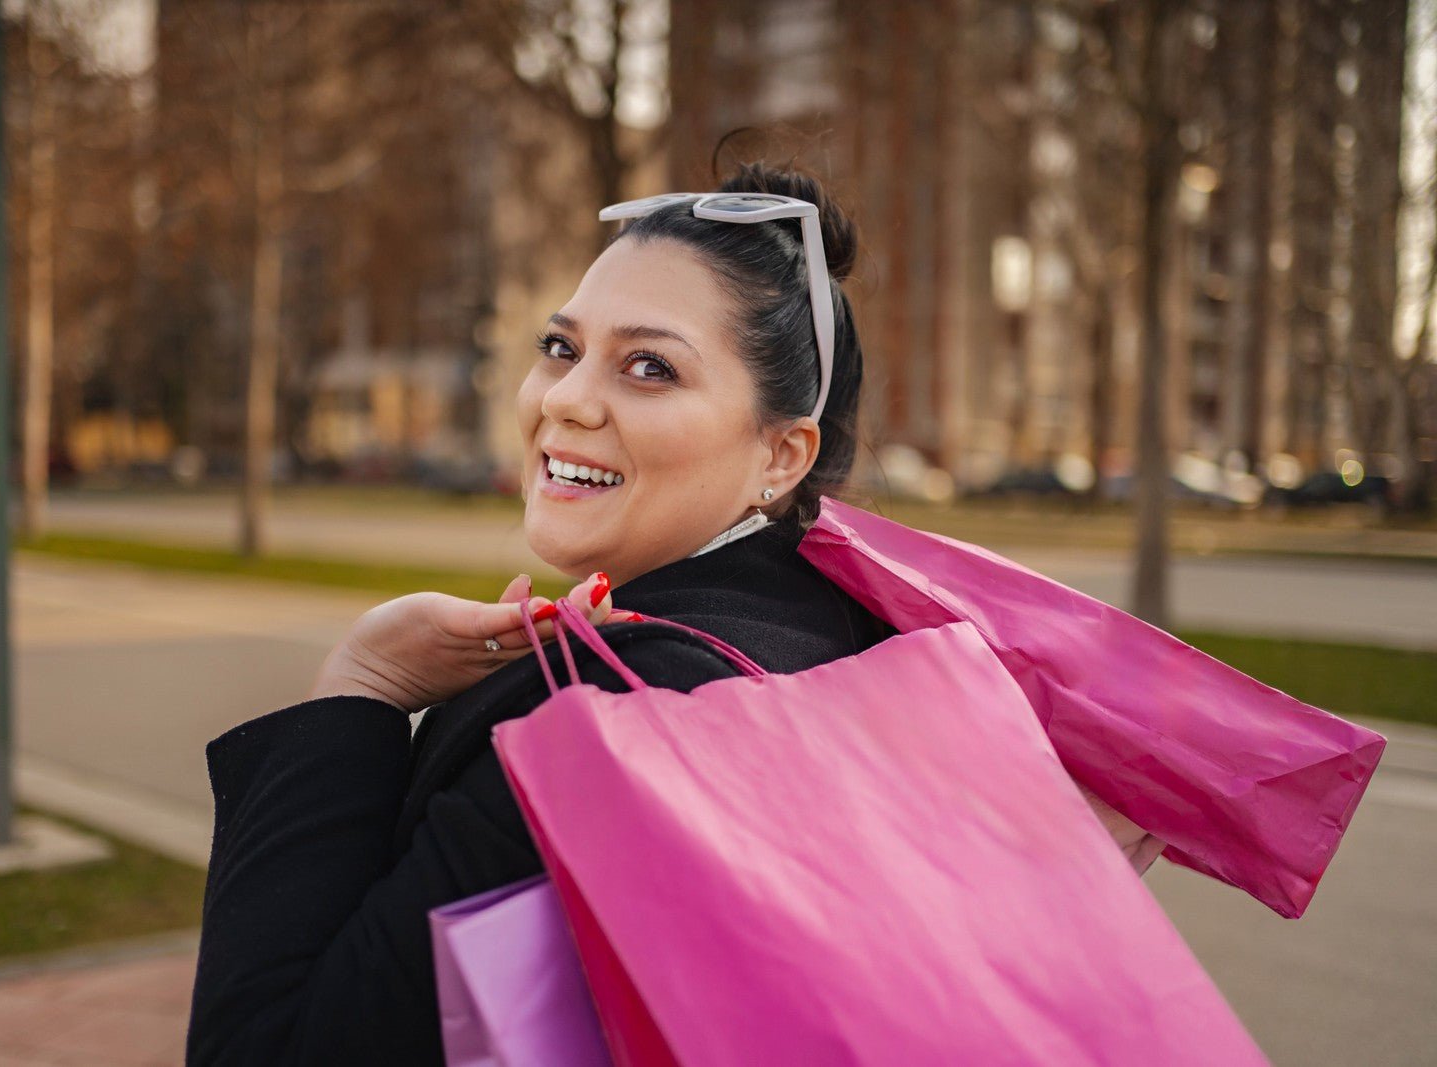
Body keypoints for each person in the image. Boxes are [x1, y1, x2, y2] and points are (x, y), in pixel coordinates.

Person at [185, 162, 1158, 1065]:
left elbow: (272, 1046)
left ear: (781, 455)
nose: (565, 399)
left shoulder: (608, 716)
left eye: (648, 368)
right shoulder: (840, 638)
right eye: (560, 347)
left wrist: (359, 687)